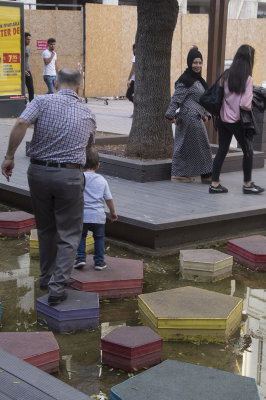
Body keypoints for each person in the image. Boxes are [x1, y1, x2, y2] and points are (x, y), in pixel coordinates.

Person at [1, 68, 96, 306]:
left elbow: (22, 121)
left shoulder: (41, 101)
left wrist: (9, 156)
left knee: (45, 229)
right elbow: (88, 147)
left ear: (57, 84)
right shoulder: (88, 112)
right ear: (78, 86)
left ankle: (46, 277)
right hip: (70, 176)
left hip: (39, 173)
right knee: (70, 233)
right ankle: (57, 286)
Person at [209, 44, 264, 194]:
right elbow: (245, 104)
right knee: (248, 151)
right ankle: (247, 184)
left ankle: (214, 184)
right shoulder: (247, 79)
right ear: (249, 59)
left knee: (222, 150)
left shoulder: (226, 75)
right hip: (238, 121)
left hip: (223, 119)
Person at [165, 48, 212, 183]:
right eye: (194, 62)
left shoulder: (198, 80)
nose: (197, 66)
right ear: (189, 63)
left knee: (183, 147)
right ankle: (207, 175)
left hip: (193, 118)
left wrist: (207, 113)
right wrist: (170, 116)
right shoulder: (185, 81)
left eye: (200, 63)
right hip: (190, 118)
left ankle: (178, 174)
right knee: (203, 147)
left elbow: (203, 100)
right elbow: (176, 100)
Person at [74, 148, 118, 271]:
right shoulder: (102, 180)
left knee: (81, 237)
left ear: (81, 164)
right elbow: (108, 198)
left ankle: (80, 259)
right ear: (98, 165)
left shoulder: (79, 178)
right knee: (99, 238)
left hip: (82, 215)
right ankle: (99, 261)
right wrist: (113, 212)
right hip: (98, 216)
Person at [25, 32, 34, 102]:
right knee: (21, 89)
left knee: (31, 88)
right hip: (21, 70)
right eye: (27, 39)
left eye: (30, 39)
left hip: (28, 70)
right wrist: (23, 70)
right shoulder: (19, 48)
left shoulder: (28, 48)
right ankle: (24, 102)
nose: (29, 41)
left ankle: (32, 103)